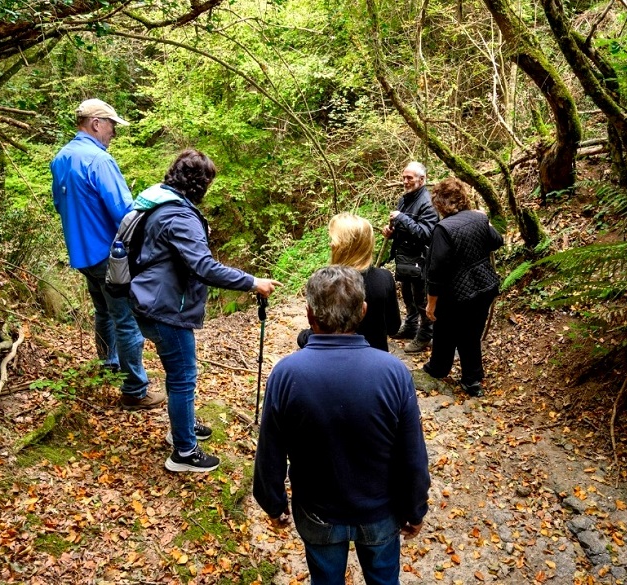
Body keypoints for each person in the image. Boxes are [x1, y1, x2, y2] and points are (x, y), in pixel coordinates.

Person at [254, 265, 430, 585]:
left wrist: (272, 501)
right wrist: (415, 506)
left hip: (318, 512)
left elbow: (270, 450)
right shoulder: (393, 373)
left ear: (310, 315)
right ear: (362, 312)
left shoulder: (287, 374)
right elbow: (412, 453)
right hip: (380, 511)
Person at [129, 149, 281, 473]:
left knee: (178, 375)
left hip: (149, 300)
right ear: (198, 184)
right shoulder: (180, 216)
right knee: (183, 377)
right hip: (165, 308)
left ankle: (181, 429)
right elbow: (204, 267)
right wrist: (252, 282)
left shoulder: (160, 202)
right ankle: (183, 451)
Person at [51, 98, 163, 410]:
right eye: (111, 125)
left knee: (104, 313)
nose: (113, 132)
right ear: (96, 123)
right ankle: (135, 390)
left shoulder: (61, 158)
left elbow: (59, 205)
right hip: (109, 255)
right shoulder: (99, 161)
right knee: (126, 320)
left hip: (81, 254)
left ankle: (109, 367)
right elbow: (125, 213)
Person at [422, 177, 503, 397]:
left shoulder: (443, 229)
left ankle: (449, 372)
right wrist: (485, 222)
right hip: (485, 287)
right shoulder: (478, 218)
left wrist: (431, 304)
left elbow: (435, 271)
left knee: (447, 329)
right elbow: (497, 241)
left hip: (457, 295)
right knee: (469, 333)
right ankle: (465, 376)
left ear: (439, 202)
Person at [296, 213, 401, 351]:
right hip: (375, 356)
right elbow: (393, 327)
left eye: (333, 240)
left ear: (341, 246)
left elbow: (319, 332)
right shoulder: (385, 278)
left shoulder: (327, 283)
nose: (330, 243)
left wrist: (303, 336)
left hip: (334, 359)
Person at [381, 161, 439, 353]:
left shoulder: (428, 203)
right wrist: (392, 232)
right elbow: (404, 228)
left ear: (422, 180)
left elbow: (426, 234)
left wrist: (401, 218)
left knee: (421, 299)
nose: (405, 181)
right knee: (407, 295)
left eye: (410, 178)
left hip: (420, 259)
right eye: (404, 177)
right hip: (405, 258)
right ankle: (411, 326)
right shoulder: (405, 199)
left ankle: (425, 335)